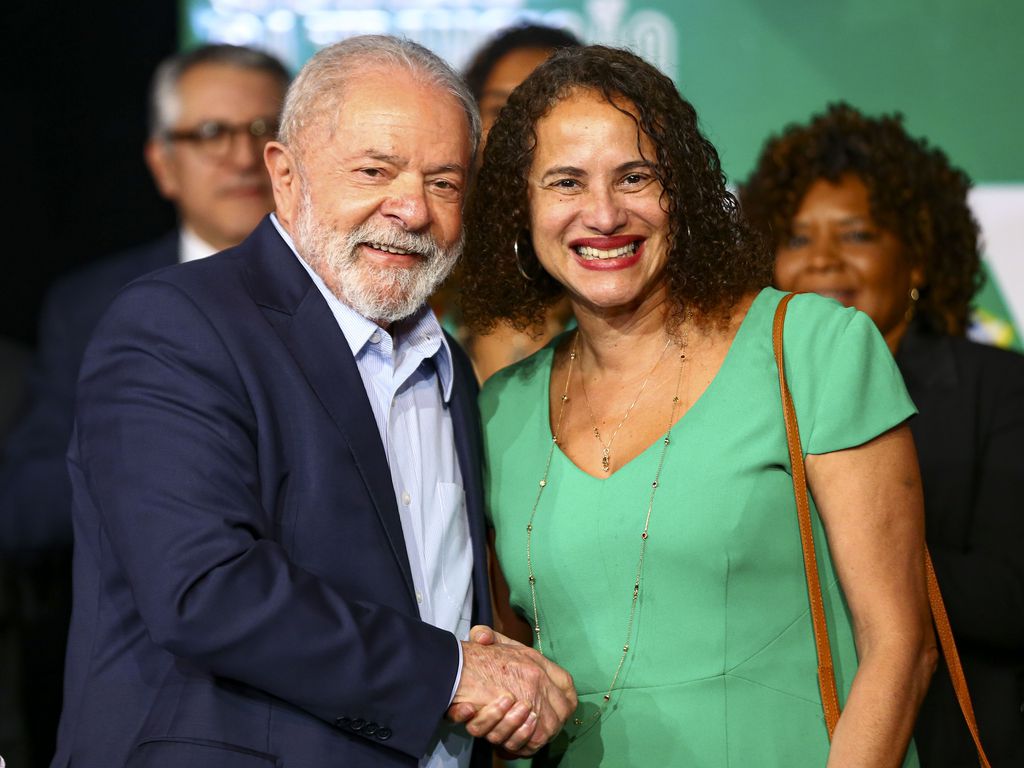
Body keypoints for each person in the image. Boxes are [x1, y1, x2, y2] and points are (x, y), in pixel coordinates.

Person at [51, 35, 575, 768]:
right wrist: (454, 674)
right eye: (375, 170)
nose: (412, 209)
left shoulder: (445, 362)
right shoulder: (176, 325)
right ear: (285, 175)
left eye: (445, 183)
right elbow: (206, 589)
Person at [460, 46, 936, 766]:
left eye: (636, 177)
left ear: (681, 191)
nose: (604, 213)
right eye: (565, 182)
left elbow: (901, 648)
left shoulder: (811, 349)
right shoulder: (501, 410)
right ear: (520, 209)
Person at [0, 43, 289, 766]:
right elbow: (23, 506)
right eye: (210, 133)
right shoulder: (92, 307)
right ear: (163, 163)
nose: (242, 156)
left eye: (264, 129)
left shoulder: (369, 292)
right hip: (156, 695)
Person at [740, 102, 1024, 767]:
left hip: (947, 739)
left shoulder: (1000, 390)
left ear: (919, 258)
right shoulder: (739, 402)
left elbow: (1014, 595)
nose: (823, 262)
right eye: (797, 239)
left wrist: (866, 548)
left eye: (858, 235)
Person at [436, 23, 580, 382]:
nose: (518, 132)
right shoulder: (434, 253)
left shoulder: (613, 259)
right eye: (501, 110)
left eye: (543, 109)